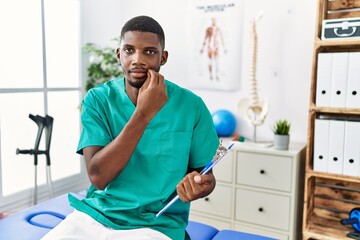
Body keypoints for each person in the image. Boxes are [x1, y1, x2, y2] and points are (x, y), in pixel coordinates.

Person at [41, 15, 220, 240]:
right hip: (97, 215)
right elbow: (98, 176)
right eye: (129, 50)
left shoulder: (191, 106)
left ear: (163, 57)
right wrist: (143, 113)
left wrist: (200, 186)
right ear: (119, 54)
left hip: (156, 223)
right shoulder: (98, 100)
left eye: (149, 51)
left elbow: (206, 177)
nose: (138, 59)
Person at [200, 17, 227, 81]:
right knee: (210, 61)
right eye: (213, 20)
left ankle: (217, 75)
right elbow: (205, 38)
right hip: (210, 47)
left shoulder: (218, 29)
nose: (214, 22)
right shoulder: (208, 29)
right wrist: (202, 48)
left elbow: (221, 38)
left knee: (216, 62)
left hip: (216, 47)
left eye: (215, 20)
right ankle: (211, 75)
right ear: (211, 21)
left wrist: (224, 48)